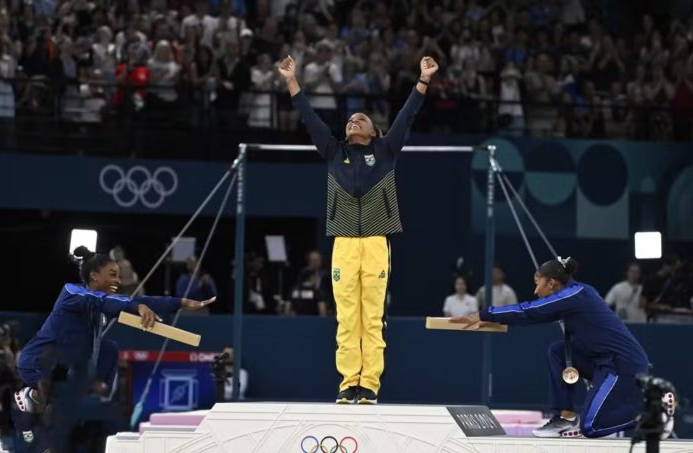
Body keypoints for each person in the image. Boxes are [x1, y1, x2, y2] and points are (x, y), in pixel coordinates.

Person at [278, 53, 438, 405]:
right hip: (344, 243)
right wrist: (291, 80)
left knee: (373, 317)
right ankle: (348, 382)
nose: (353, 121)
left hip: (377, 242)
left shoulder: (386, 150)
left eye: (361, 119)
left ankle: (370, 385)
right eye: (350, 119)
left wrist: (423, 79)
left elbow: (407, 115)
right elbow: (309, 118)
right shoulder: (334, 152)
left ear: (374, 132)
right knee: (347, 317)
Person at [451, 257, 657, 438]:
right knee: (557, 351)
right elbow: (530, 316)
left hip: (623, 365)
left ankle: (653, 414)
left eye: (537, 284)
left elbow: (527, 312)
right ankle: (565, 417)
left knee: (591, 426)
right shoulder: (575, 293)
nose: (535, 291)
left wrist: (483, 314)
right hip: (603, 363)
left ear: (551, 283)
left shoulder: (573, 295)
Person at [13, 246, 214, 416]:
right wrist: (137, 307)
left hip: (66, 372)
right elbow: (103, 301)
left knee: (108, 349)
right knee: (58, 410)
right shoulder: (71, 293)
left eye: (119, 276)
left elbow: (140, 301)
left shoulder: (107, 303)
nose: (118, 280)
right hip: (36, 364)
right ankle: (35, 396)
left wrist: (181, 302)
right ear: (94, 275)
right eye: (112, 275)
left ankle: (91, 397)